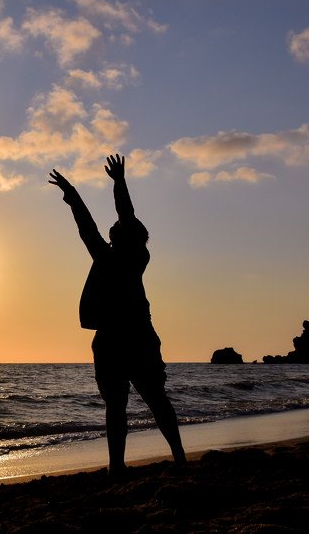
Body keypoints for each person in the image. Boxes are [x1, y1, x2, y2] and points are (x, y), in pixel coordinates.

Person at [49, 154, 185, 477]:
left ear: (130, 237)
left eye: (118, 229)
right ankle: (137, 463)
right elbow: (90, 227)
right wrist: (73, 195)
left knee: (139, 402)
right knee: (138, 402)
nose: (113, 229)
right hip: (125, 337)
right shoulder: (116, 256)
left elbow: (110, 219)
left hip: (126, 338)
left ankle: (126, 465)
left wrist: (115, 184)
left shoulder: (129, 256)